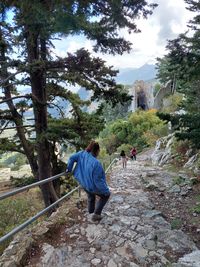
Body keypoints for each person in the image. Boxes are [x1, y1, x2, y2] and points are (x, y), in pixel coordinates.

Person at [66, 141, 110, 222]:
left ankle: (90, 212)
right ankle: (96, 215)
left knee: (90, 196)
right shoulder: (96, 163)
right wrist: (106, 191)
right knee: (105, 195)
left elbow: (71, 158)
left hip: (83, 183)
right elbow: (98, 181)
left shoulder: (81, 154)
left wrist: (69, 169)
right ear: (97, 151)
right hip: (91, 186)